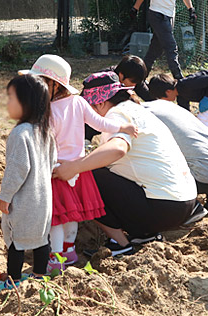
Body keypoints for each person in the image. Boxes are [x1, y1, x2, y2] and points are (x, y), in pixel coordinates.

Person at [54, 74, 197, 257]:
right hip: (184, 203)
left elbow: (118, 148)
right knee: (100, 169)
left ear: (100, 104)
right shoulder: (136, 109)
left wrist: (74, 167)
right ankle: (144, 235)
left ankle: (121, 244)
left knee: (85, 177)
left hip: (164, 207)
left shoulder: (117, 114)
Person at [20, 57, 138, 272]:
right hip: (79, 170)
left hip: (56, 170)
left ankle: (55, 259)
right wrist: (123, 128)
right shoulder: (78, 102)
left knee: (55, 218)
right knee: (71, 215)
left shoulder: (46, 112)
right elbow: (100, 123)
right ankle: (69, 251)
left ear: (54, 85)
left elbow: (45, 144)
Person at [0, 74, 57, 292]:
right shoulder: (46, 131)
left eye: (11, 97)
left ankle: (13, 281)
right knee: (42, 237)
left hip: (23, 200)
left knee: (15, 241)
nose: (7, 103)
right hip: (43, 199)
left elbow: (16, 170)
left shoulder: (20, 134)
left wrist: (5, 196)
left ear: (26, 103)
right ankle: (40, 274)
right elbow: (52, 163)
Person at [143, 98, 208, 216]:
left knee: (145, 162)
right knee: (192, 149)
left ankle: (190, 208)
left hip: (205, 177)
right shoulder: (163, 105)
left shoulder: (141, 117)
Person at [148, 70, 208, 136]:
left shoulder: (187, 84)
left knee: (203, 119)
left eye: (162, 98)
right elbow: (185, 114)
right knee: (205, 118)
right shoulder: (180, 96)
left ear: (168, 92)